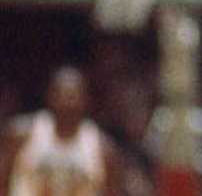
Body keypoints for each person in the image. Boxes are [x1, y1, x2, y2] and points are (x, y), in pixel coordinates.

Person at [0, 66, 124, 196]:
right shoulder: (20, 134)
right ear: (49, 95)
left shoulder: (103, 148)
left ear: (86, 100)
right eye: (60, 94)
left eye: (72, 96)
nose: (66, 101)